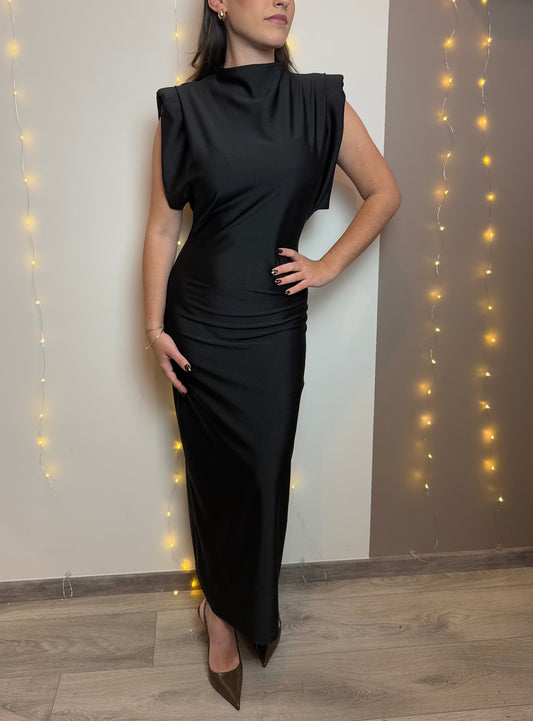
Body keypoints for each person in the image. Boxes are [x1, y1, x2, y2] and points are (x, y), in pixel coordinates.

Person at [143, 0, 401, 711]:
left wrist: (327, 265)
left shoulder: (319, 101)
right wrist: (152, 327)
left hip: (271, 323)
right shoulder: (183, 110)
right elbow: (162, 230)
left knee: (262, 474)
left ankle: (244, 601)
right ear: (219, 3)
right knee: (212, 476)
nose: (281, 0)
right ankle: (220, 616)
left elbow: (383, 192)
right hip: (196, 324)